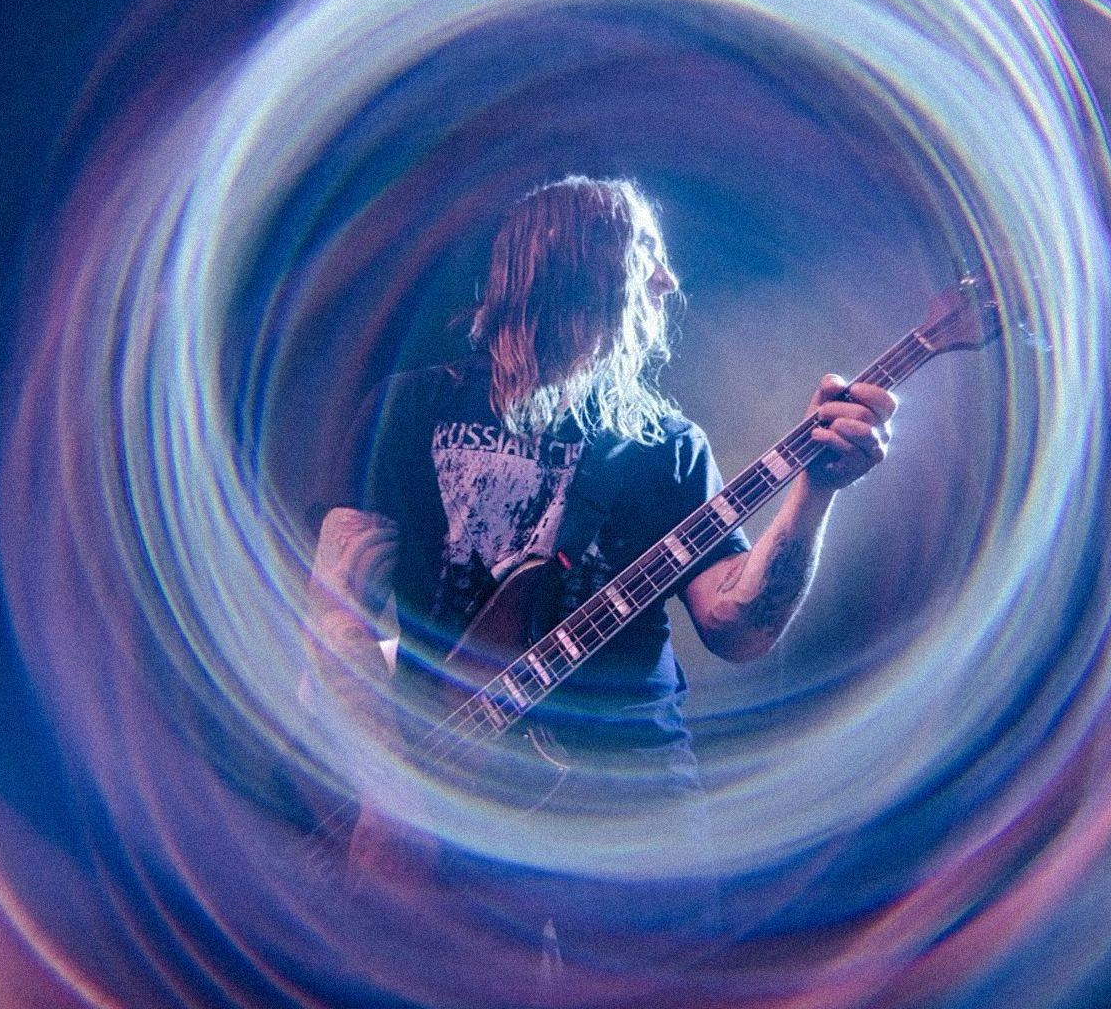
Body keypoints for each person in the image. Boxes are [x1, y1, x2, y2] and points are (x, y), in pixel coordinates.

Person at [307, 175, 895, 957]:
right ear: (578, 270)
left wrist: (814, 494)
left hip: (630, 785)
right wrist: (389, 790)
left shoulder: (667, 443)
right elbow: (337, 607)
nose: (666, 283)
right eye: (645, 256)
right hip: (447, 775)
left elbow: (738, 626)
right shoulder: (411, 408)